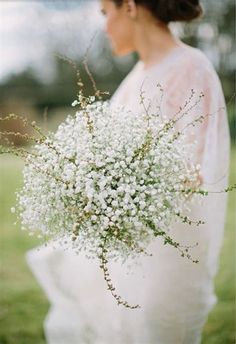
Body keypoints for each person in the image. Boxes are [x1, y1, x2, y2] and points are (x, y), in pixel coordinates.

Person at [26, 0, 230, 343]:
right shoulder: (137, 77)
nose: (104, 27)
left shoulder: (190, 68)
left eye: (106, 13)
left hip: (171, 251)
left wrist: (123, 192)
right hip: (128, 247)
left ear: (131, 7)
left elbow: (197, 169)